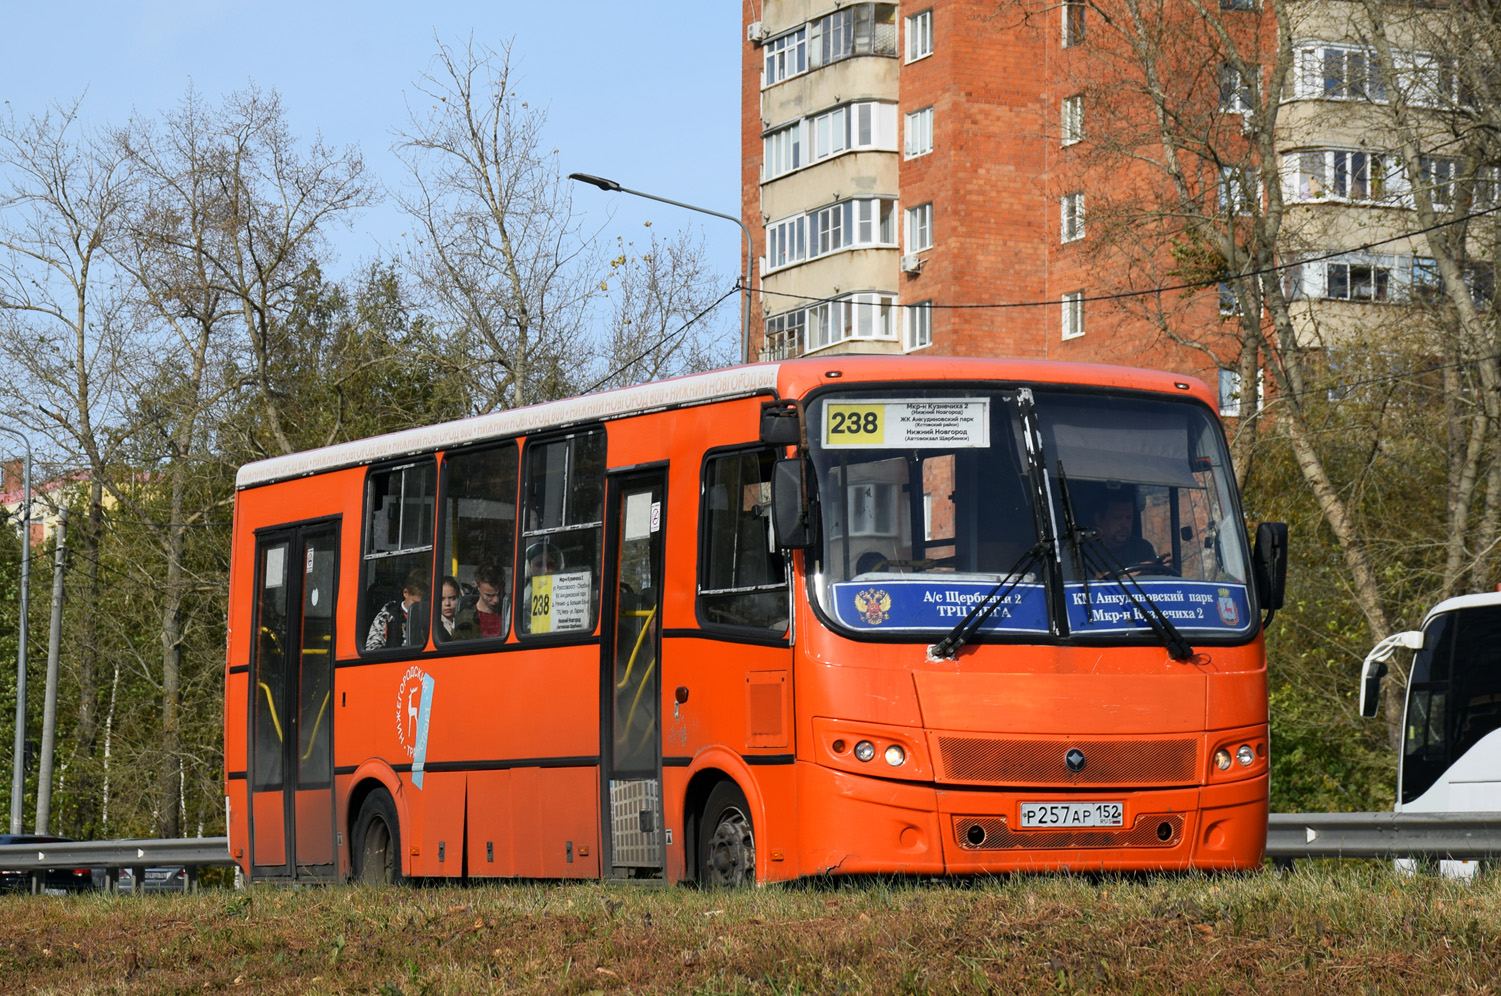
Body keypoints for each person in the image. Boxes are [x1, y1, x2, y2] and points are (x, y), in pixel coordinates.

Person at [1090, 492, 1162, 568]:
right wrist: (1141, 570)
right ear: (1099, 520)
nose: (1125, 525)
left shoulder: (1142, 548)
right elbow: (1097, 578)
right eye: (1118, 517)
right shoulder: (1086, 551)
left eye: (1129, 517)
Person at [365, 569, 431, 651]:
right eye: (416, 604)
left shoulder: (430, 616)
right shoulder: (388, 616)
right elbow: (371, 648)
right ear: (405, 593)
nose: (420, 607)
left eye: (424, 604)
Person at [454, 562, 507, 640]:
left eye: (499, 594)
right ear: (477, 586)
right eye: (489, 595)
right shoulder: (465, 620)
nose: (496, 600)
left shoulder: (509, 612)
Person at [435, 576, 462, 641]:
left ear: (458, 597)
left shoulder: (466, 621)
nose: (447, 604)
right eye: (442, 599)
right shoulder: (433, 626)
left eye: (452, 598)